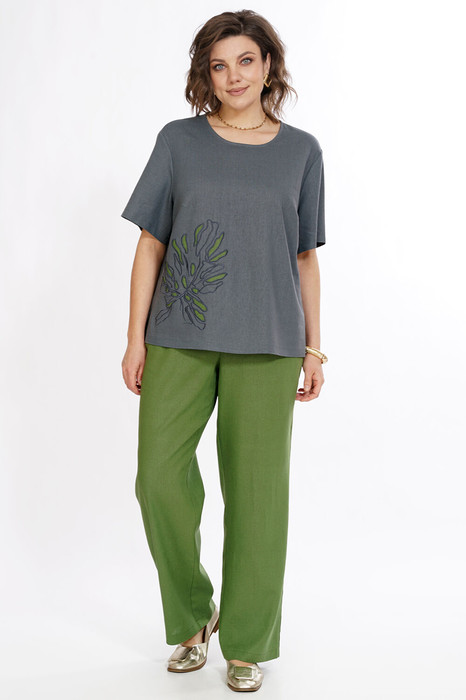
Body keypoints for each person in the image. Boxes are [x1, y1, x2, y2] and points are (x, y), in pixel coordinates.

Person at [121, 9, 327, 693]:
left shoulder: (302, 152)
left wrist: (314, 348)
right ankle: (192, 615)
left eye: (245, 60)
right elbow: (150, 242)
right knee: (157, 479)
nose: (233, 76)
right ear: (204, 75)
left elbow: (305, 256)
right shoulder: (178, 141)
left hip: (269, 340)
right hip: (177, 335)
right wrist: (134, 338)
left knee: (259, 498)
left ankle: (245, 643)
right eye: (218, 65)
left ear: (268, 66)